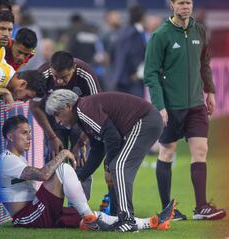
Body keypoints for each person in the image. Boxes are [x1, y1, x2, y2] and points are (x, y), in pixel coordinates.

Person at [0, 115, 176, 231]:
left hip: (37, 211)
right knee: (63, 168)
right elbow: (43, 175)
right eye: (24, 133)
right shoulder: (7, 160)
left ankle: (152, 222)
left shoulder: (16, 159)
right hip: (27, 217)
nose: (29, 137)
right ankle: (87, 215)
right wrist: (64, 153)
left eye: (29, 132)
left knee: (97, 218)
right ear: (10, 137)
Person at [144, 0, 226, 221]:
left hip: (196, 106)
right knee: (167, 152)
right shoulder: (160, 35)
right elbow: (150, 74)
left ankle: (201, 208)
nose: (185, 7)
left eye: (188, 2)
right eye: (180, 3)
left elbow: (204, 62)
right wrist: (160, 106)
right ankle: (167, 209)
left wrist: (210, 91)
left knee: (200, 150)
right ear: (171, 5)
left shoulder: (199, 29)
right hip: (171, 107)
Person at [45, 89, 164, 232]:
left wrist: (108, 168)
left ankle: (127, 220)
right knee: (117, 166)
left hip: (145, 120)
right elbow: (98, 150)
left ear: (68, 106)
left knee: (118, 166)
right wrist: (78, 178)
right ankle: (119, 217)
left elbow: (112, 137)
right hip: (145, 120)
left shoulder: (83, 110)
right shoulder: (84, 114)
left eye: (57, 114)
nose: (58, 121)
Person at [30, 51, 101, 202]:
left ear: (74, 68)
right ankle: (54, 209)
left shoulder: (86, 74)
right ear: (50, 68)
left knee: (81, 162)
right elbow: (35, 107)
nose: (59, 81)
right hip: (53, 123)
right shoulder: (42, 74)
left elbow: (96, 110)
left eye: (64, 77)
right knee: (54, 163)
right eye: (55, 77)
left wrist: (83, 141)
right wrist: (51, 137)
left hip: (81, 123)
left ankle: (78, 210)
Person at [112, 5, 147, 98]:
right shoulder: (135, 33)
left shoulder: (123, 31)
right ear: (143, 17)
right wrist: (137, 72)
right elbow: (134, 53)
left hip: (120, 77)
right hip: (131, 80)